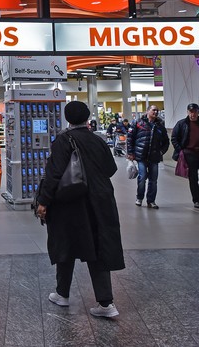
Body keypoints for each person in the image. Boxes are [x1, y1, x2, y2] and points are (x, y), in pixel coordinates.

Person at [36, 101, 124, 319]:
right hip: (101, 202)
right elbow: (111, 169)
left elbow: (54, 175)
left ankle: (62, 294)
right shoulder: (98, 140)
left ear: (67, 118)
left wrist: (43, 202)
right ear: (87, 118)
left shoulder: (63, 141)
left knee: (65, 244)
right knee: (98, 248)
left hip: (71, 203)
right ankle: (106, 303)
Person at [171, 103, 199, 209]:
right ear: (187, 112)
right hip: (189, 154)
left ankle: (198, 194)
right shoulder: (182, 124)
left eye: (195, 112)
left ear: (198, 112)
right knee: (193, 177)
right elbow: (174, 138)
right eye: (191, 112)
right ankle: (196, 200)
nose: (193, 114)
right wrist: (181, 151)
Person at [127, 105, 170, 209]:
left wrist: (161, 152)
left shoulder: (160, 126)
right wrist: (130, 153)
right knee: (142, 177)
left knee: (153, 180)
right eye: (153, 110)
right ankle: (139, 198)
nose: (155, 112)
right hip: (141, 156)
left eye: (157, 110)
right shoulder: (138, 123)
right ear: (147, 111)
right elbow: (130, 138)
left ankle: (151, 201)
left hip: (154, 157)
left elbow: (166, 142)